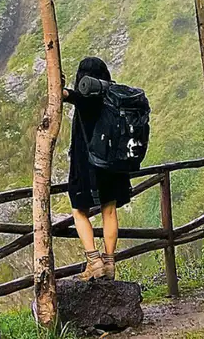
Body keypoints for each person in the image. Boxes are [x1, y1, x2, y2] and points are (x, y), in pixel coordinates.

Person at [63, 56, 133, 281]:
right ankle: (109, 263)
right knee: (109, 211)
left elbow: (63, 94)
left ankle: (94, 261)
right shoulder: (112, 96)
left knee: (79, 211)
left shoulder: (84, 98)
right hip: (113, 164)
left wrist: (58, 83)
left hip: (88, 167)